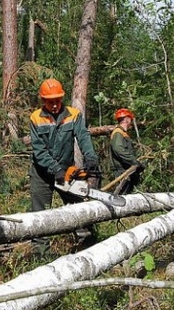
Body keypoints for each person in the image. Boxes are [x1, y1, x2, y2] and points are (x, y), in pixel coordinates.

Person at [28, 78, 99, 244]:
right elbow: (39, 151)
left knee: (77, 206)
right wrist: (56, 169)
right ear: (43, 100)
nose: (54, 105)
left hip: (65, 170)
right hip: (42, 174)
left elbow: (83, 136)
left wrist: (90, 157)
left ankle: (86, 245)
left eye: (57, 100)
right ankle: (41, 253)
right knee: (41, 215)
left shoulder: (73, 115)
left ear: (62, 98)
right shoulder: (36, 118)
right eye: (50, 101)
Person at [110, 108, 144, 194]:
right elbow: (118, 149)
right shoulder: (118, 132)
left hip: (127, 170)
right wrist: (133, 161)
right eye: (130, 119)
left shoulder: (123, 133)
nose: (131, 122)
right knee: (122, 197)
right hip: (122, 171)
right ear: (127, 119)